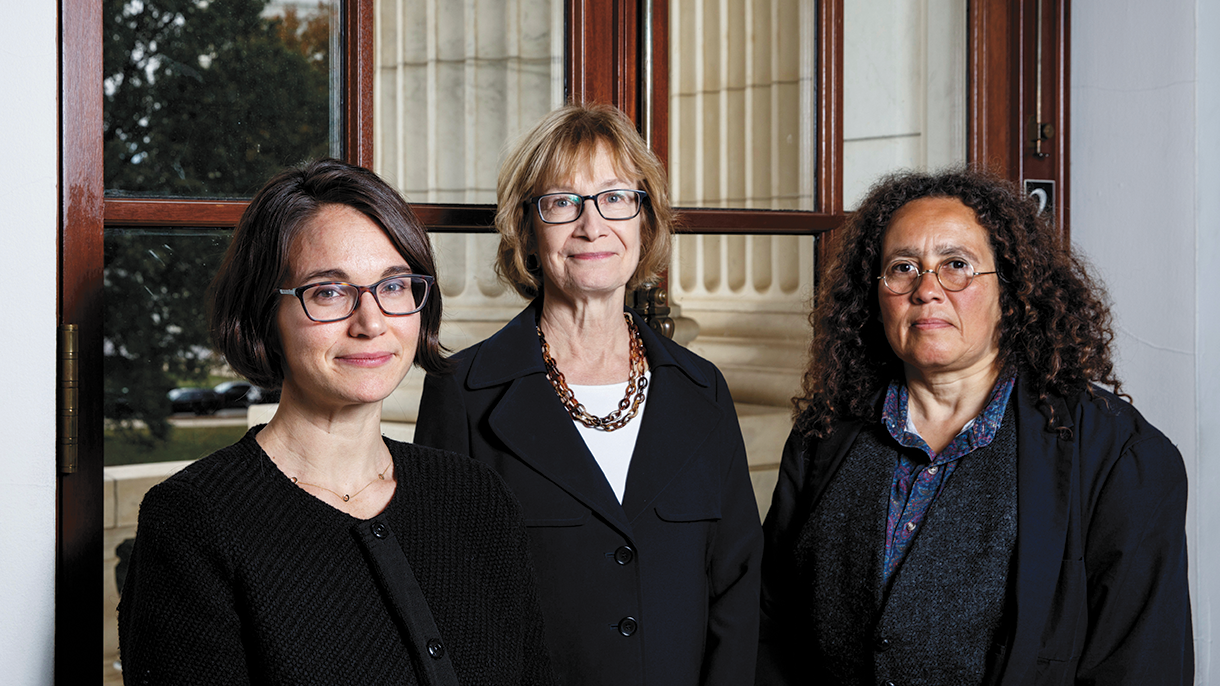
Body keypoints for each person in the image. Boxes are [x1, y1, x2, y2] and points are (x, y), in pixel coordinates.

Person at [118, 159, 556, 685]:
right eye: (328, 291)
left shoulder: (476, 496)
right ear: (264, 314)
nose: (371, 323)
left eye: (394, 287)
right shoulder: (194, 521)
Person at [756, 168, 1193, 685]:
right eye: (902, 268)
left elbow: (1139, 666)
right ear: (874, 297)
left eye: (957, 265)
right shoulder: (824, 436)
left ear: (1010, 291)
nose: (926, 290)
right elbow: (771, 630)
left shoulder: (1119, 457)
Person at [414, 103, 763, 686]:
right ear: (526, 226)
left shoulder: (703, 390)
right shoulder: (463, 394)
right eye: (562, 202)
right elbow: (443, 601)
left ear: (645, 221)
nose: (592, 225)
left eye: (616, 197)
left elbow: (738, 582)